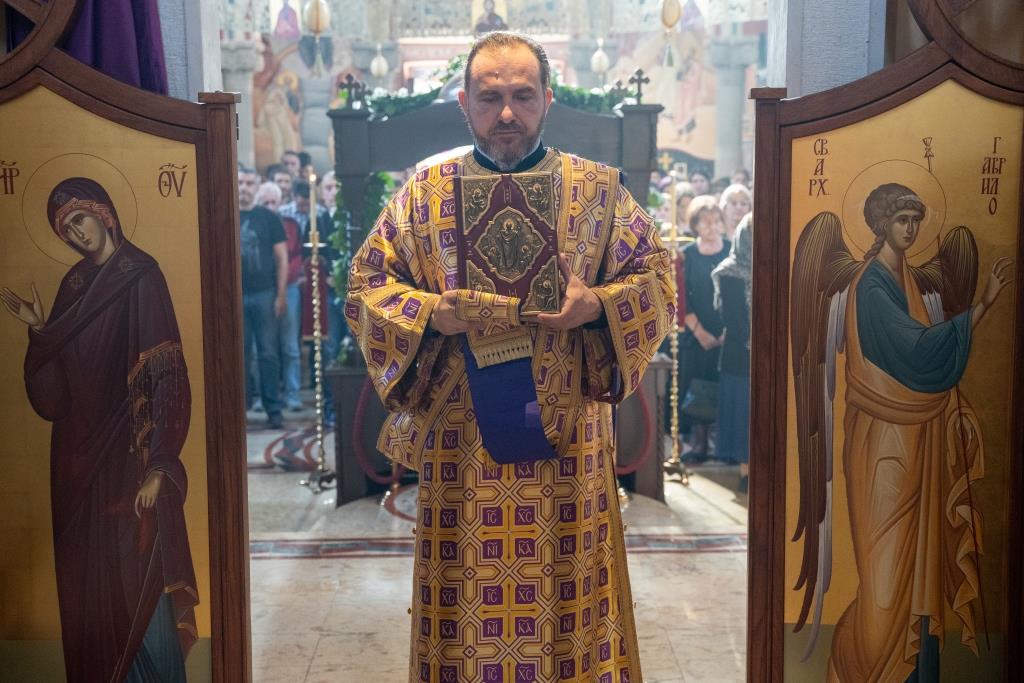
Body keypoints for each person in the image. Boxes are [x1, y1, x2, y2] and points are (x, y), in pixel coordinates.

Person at [346, 31, 674, 683]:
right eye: (489, 97)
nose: (505, 113)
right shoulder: (424, 193)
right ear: (463, 102)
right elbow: (366, 285)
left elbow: (657, 279)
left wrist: (595, 304)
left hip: (566, 438)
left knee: (568, 589)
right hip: (460, 443)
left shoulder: (598, 191)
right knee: (463, 590)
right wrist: (430, 312)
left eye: (522, 96)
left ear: (548, 99)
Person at [791, 183, 1013, 681]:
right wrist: (982, 307)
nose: (911, 229)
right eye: (901, 220)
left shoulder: (907, 277)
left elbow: (921, 357)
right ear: (881, 224)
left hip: (914, 439)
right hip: (882, 449)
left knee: (913, 571)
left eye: (916, 220)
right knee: (885, 580)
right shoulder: (871, 285)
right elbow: (917, 352)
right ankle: (861, 671)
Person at [1, 177, 198, 681]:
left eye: (79, 220)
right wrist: (42, 332)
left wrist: (160, 464)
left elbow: (167, 376)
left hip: (129, 458)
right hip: (74, 467)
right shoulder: (73, 286)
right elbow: (54, 401)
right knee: (86, 587)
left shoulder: (141, 276)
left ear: (104, 213)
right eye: (65, 229)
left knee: (138, 573)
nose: (76, 234)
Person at [678, 195, 730, 458]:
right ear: (695, 225)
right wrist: (699, 332)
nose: (712, 226)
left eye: (716, 221)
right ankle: (698, 442)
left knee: (723, 386)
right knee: (696, 385)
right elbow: (680, 297)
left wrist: (728, 330)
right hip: (696, 333)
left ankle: (719, 442)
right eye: (705, 221)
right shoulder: (687, 255)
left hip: (728, 332)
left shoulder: (731, 250)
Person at [238, 166, 288, 429]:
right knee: (239, 354)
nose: (244, 188)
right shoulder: (225, 213)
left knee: (268, 353)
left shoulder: (268, 218)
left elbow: (281, 258)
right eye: (240, 183)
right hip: (235, 296)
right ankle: (240, 410)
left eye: (249, 183)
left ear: (256, 187)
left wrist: (281, 294)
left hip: (265, 294)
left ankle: (273, 409)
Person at [711, 212, 752, 492]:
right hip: (740, 355)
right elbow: (733, 320)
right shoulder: (729, 272)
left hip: (766, 356)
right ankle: (746, 473)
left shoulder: (775, 267)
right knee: (742, 418)